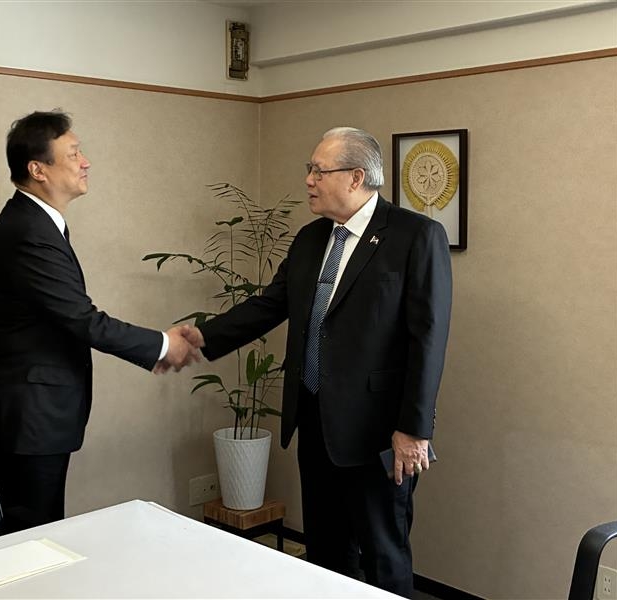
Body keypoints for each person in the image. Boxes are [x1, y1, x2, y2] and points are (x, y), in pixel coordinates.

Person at [184, 127, 452, 596]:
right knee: (326, 556)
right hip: (315, 423)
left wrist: (414, 430)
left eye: (317, 170)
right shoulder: (311, 238)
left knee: (383, 555)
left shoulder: (415, 237)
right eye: (309, 169)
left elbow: (427, 340)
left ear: (355, 177)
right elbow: (269, 305)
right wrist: (199, 338)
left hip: (379, 433)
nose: (308, 179)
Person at [0, 110, 197, 533]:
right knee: (30, 536)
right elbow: (81, 318)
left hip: (38, 413)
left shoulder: (37, 222)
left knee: (39, 531)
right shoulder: (28, 230)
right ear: (37, 169)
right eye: (74, 153)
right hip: (29, 416)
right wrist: (164, 345)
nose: (86, 161)